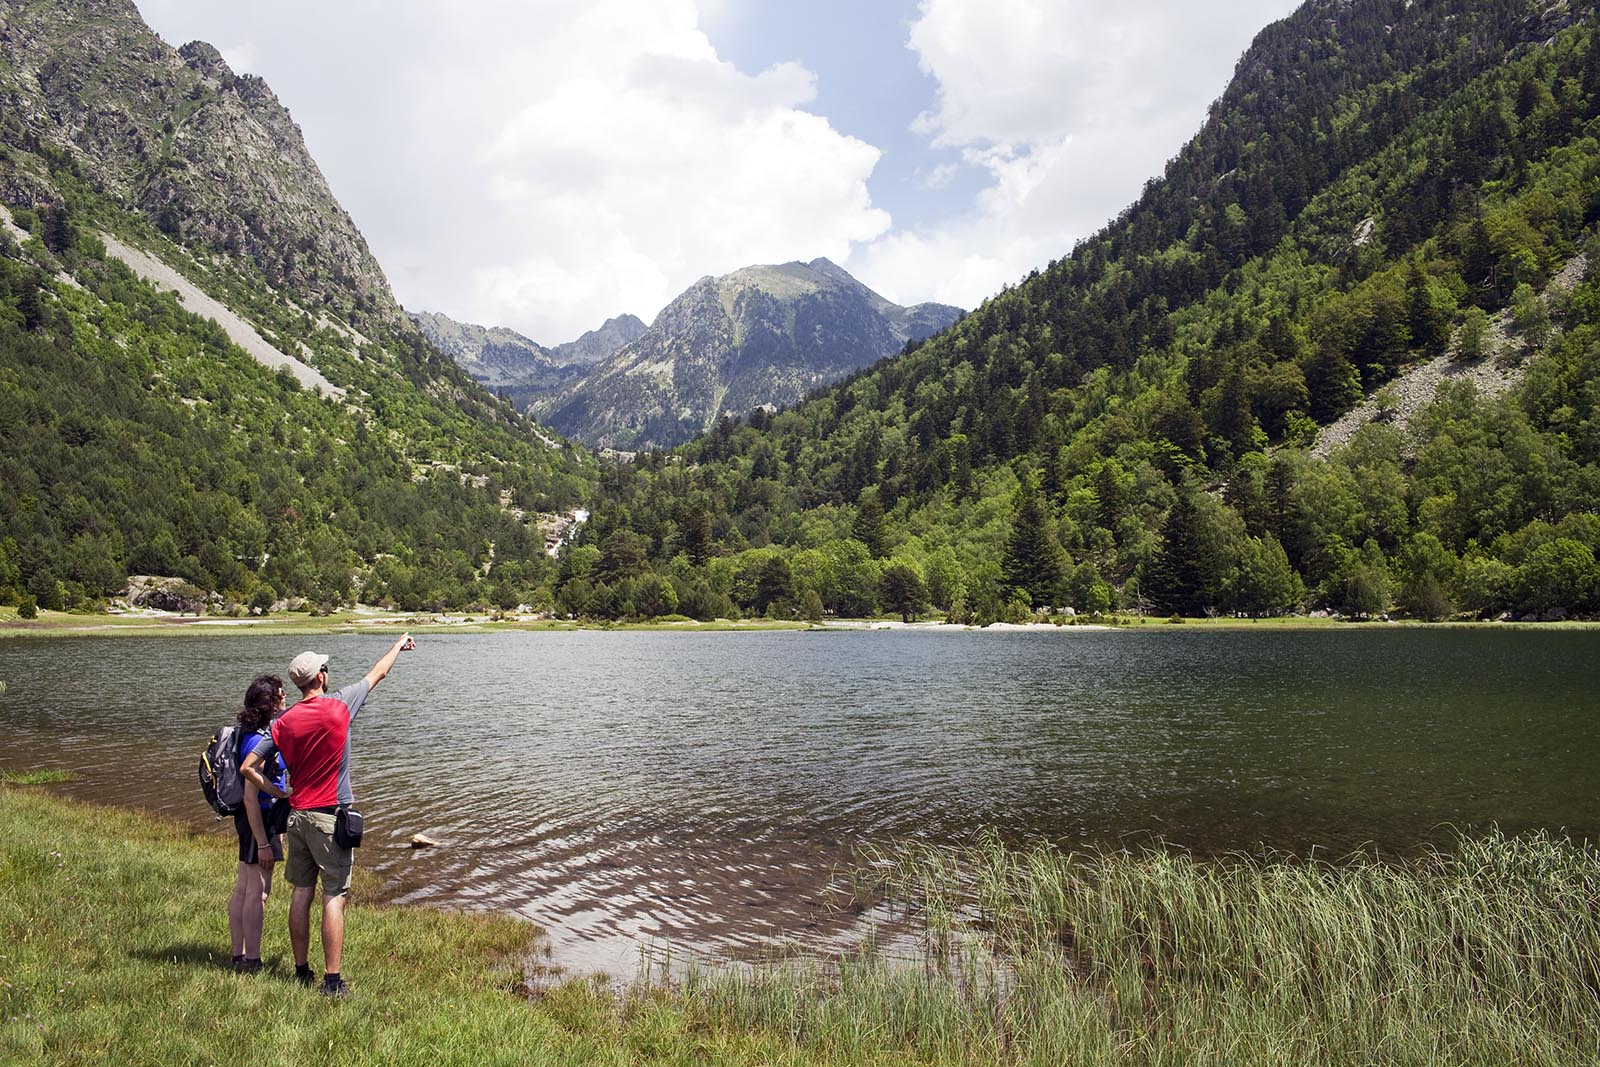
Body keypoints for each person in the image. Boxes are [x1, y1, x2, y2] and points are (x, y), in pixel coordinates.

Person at [242, 634, 415, 996]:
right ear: (319, 676)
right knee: (334, 895)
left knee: (301, 892)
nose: (327, 672)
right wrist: (398, 645)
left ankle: (302, 971)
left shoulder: (282, 722)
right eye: (325, 668)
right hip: (329, 818)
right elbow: (378, 673)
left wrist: (277, 791)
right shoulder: (340, 705)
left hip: (297, 817)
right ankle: (333, 981)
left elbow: (248, 767)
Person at [229, 674, 290, 974]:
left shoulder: (247, 732)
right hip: (258, 820)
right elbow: (251, 798)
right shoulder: (259, 741)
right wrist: (264, 843)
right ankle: (251, 960)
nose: (285, 696)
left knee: (243, 887)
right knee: (259, 891)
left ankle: (238, 955)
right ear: (270, 703)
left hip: (248, 821)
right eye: (281, 694)